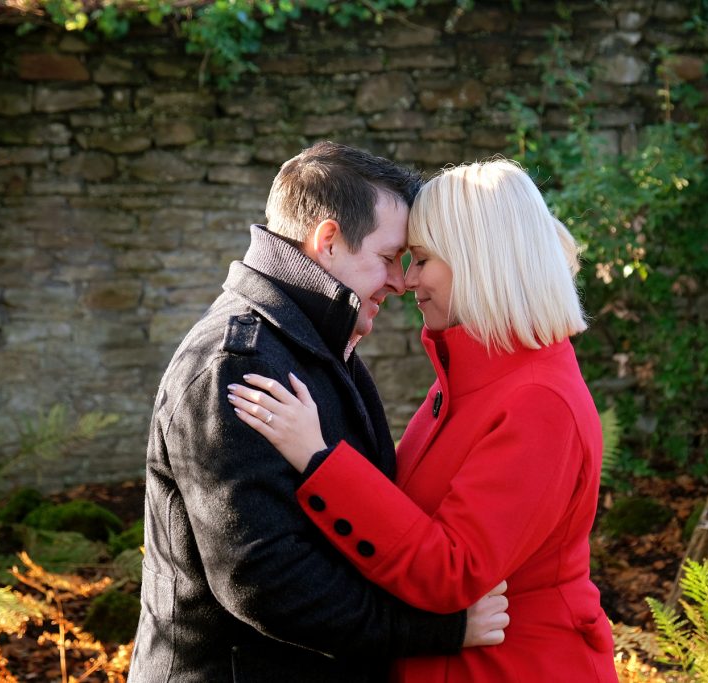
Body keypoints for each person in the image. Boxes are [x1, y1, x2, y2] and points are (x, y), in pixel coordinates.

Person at [129, 142, 510, 683]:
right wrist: (438, 630)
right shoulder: (240, 366)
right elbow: (265, 582)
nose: (401, 282)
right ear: (328, 240)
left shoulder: (314, 344)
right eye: (387, 259)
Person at [229, 159, 618, 682]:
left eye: (421, 260)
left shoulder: (539, 399)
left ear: (477, 260)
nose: (408, 282)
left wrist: (318, 458)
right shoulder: (470, 377)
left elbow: (454, 569)